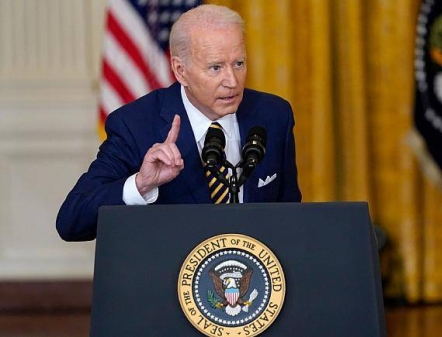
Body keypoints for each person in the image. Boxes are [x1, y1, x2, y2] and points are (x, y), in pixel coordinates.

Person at [56, 4, 302, 241]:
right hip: (172, 279)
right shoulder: (135, 126)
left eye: (239, 63)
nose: (232, 81)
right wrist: (141, 185)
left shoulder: (273, 115)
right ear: (180, 70)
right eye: (215, 68)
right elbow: (71, 221)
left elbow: (289, 217)